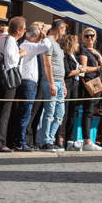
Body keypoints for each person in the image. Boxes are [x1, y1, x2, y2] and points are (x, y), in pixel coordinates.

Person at [9, 22, 49, 151]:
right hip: (28, 83)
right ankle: (20, 141)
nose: (40, 39)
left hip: (28, 83)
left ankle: (19, 140)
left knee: (24, 113)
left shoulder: (27, 45)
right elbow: (46, 47)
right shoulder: (28, 45)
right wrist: (44, 35)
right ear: (35, 36)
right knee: (25, 113)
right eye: (39, 37)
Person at [0, 16, 23, 153]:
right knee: (4, 112)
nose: (24, 31)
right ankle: (0, 143)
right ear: (19, 30)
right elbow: (10, 59)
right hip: (8, 80)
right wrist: (20, 54)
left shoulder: (2, 38)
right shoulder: (12, 40)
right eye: (24, 28)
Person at [37, 19, 68, 151]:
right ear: (60, 28)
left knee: (60, 113)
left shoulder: (57, 44)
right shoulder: (48, 42)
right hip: (51, 81)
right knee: (49, 112)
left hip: (60, 81)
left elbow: (59, 65)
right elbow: (47, 63)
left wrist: (63, 84)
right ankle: (46, 141)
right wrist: (51, 83)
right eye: (65, 29)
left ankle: (50, 138)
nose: (65, 33)